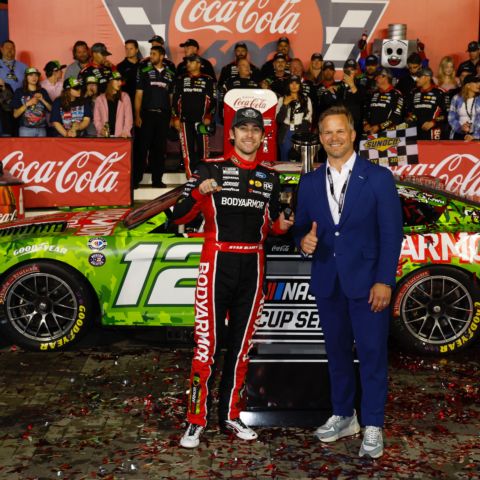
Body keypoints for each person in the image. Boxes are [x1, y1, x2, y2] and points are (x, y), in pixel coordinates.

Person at [172, 107, 293, 449]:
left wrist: (283, 225)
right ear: (231, 134)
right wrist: (199, 192)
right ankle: (196, 420)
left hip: (253, 264)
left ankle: (230, 414)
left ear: (263, 136)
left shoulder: (270, 178)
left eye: (256, 129)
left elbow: (270, 227)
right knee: (207, 347)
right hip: (217, 261)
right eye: (243, 129)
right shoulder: (210, 168)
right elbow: (177, 214)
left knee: (240, 350)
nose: (249, 135)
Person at [293, 105, 403, 459]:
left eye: (340, 131)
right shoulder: (309, 182)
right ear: (320, 138)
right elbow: (301, 228)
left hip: (369, 283)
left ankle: (372, 424)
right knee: (337, 354)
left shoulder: (378, 178)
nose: (334, 138)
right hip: (328, 281)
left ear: (353, 134)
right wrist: (303, 242)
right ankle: (344, 416)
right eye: (327, 132)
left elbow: (391, 233)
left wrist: (384, 280)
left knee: (372, 356)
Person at [135, 45, 175, 187]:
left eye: (154, 54)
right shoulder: (144, 71)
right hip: (147, 115)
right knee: (142, 148)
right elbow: (138, 95)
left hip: (163, 116)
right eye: (150, 53)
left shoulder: (170, 73)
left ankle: (157, 180)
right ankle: (136, 180)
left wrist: (172, 117)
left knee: (159, 150)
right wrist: (137, 116)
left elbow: (171, 97)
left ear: (162, 56)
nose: (151, 56)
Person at [172, 53, 217, 178]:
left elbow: (213, 101)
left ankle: (205, 176)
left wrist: (209, 116)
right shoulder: (181, 79)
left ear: (199, 64)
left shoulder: (208, 79)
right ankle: (190, 176)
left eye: (191, 62)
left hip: (202, 121)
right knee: (187, 150)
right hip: (185, 121)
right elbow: (175, 100)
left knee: (204, 151)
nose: (188, 64)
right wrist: (175, 117)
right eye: (187, 62)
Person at [276, 76, 312, 162]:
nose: (294, 85)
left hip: (301, 131)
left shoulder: (306, 99)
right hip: (286, 131)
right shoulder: (282, 99)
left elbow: (308, 118)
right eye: (291, 83)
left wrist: (302, 133)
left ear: (300, 85)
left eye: (297, 83)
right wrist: (284, 105)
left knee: (302, 159)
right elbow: (279, 119)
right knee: (285, 158)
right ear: (288, 85)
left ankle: (302, 176)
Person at [406, 67, 448, 140]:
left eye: (419, 77)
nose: (416, 79)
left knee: (433, 151)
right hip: (415, 130)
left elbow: (447, 113)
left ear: (427, 78)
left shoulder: (440, 92)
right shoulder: (413, 92)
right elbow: (408, 110)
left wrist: (433, 122)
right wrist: (411, 117)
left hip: (434, 131)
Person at [12, 67, 52, 137]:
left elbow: (51, 109)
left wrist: (42, 99)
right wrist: (27, 104)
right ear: (26, 77)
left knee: (42, 148)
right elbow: (15, 115)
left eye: (36, 75)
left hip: (41, 129)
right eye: (31, 75)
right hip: (25, 129)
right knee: (26, 148)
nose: (34, 77)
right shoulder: (19, 92)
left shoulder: (43, 91)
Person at [363, 68, 404, 134]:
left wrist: (379, 127)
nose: (375, 79)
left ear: (385, 77)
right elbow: (365, 111)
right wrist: (366, 124)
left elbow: (396, 117)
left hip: (388, 134)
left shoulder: (396, 94)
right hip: (370, 133)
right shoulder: (373, 93)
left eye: (377, 76)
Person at [94, 71, 132, 138]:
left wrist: (125, 131)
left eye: (121, 80)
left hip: (121, 137)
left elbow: (128, 118)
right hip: (104, 138)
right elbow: (97, 119)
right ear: (110, 81)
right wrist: (101, 130)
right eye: (117, 80)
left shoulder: (125, 97)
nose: (120, 83)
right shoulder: (99, 99)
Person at [448, 74, 480, 141]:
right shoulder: (456, 98)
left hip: (477, 136)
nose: (479, 84)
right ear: (468, 85)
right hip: (459, 134)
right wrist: (460, 128)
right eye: (475, 82)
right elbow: (451, 118)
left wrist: (475, 136)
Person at [117, 39, 141, 107]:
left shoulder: (143, 65)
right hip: (126, 102)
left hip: (142, 101)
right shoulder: (120, 66)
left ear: (136, 50)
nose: (128, 51)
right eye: (126, 49)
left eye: (131, 49)